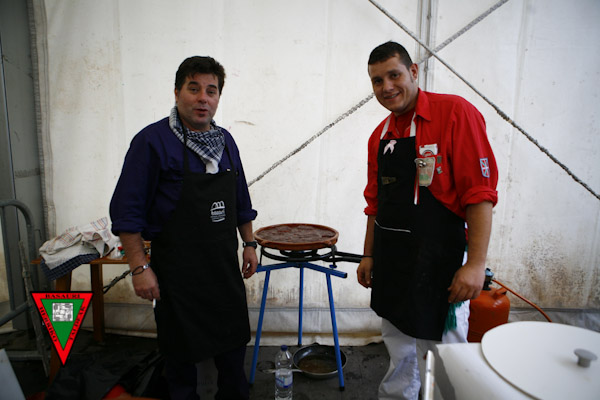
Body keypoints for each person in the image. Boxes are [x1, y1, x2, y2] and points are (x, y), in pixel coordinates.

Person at [110, 56, 258, 400]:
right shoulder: (151, 142)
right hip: (176, 277)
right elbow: (127, 213)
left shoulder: (226, 142)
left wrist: (249, 243)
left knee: (233, 358)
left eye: (211, 90)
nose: (203, 98)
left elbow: (240, 199)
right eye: (194, 89)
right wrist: (139, 268)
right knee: (180, 366)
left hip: (223, 273)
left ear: (218, 97)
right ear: (177, 92)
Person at [356, 41, 498, 399]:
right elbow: (375, 204)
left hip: (440, 262)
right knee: (398, 348)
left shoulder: (455, 113)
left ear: (414, 71)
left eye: (394, 75)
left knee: (443, 357)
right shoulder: (380, 136)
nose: (387, 87)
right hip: (392, 261)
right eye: (377, 80)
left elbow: (479, 195)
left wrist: (475, 265)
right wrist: (369, 254)